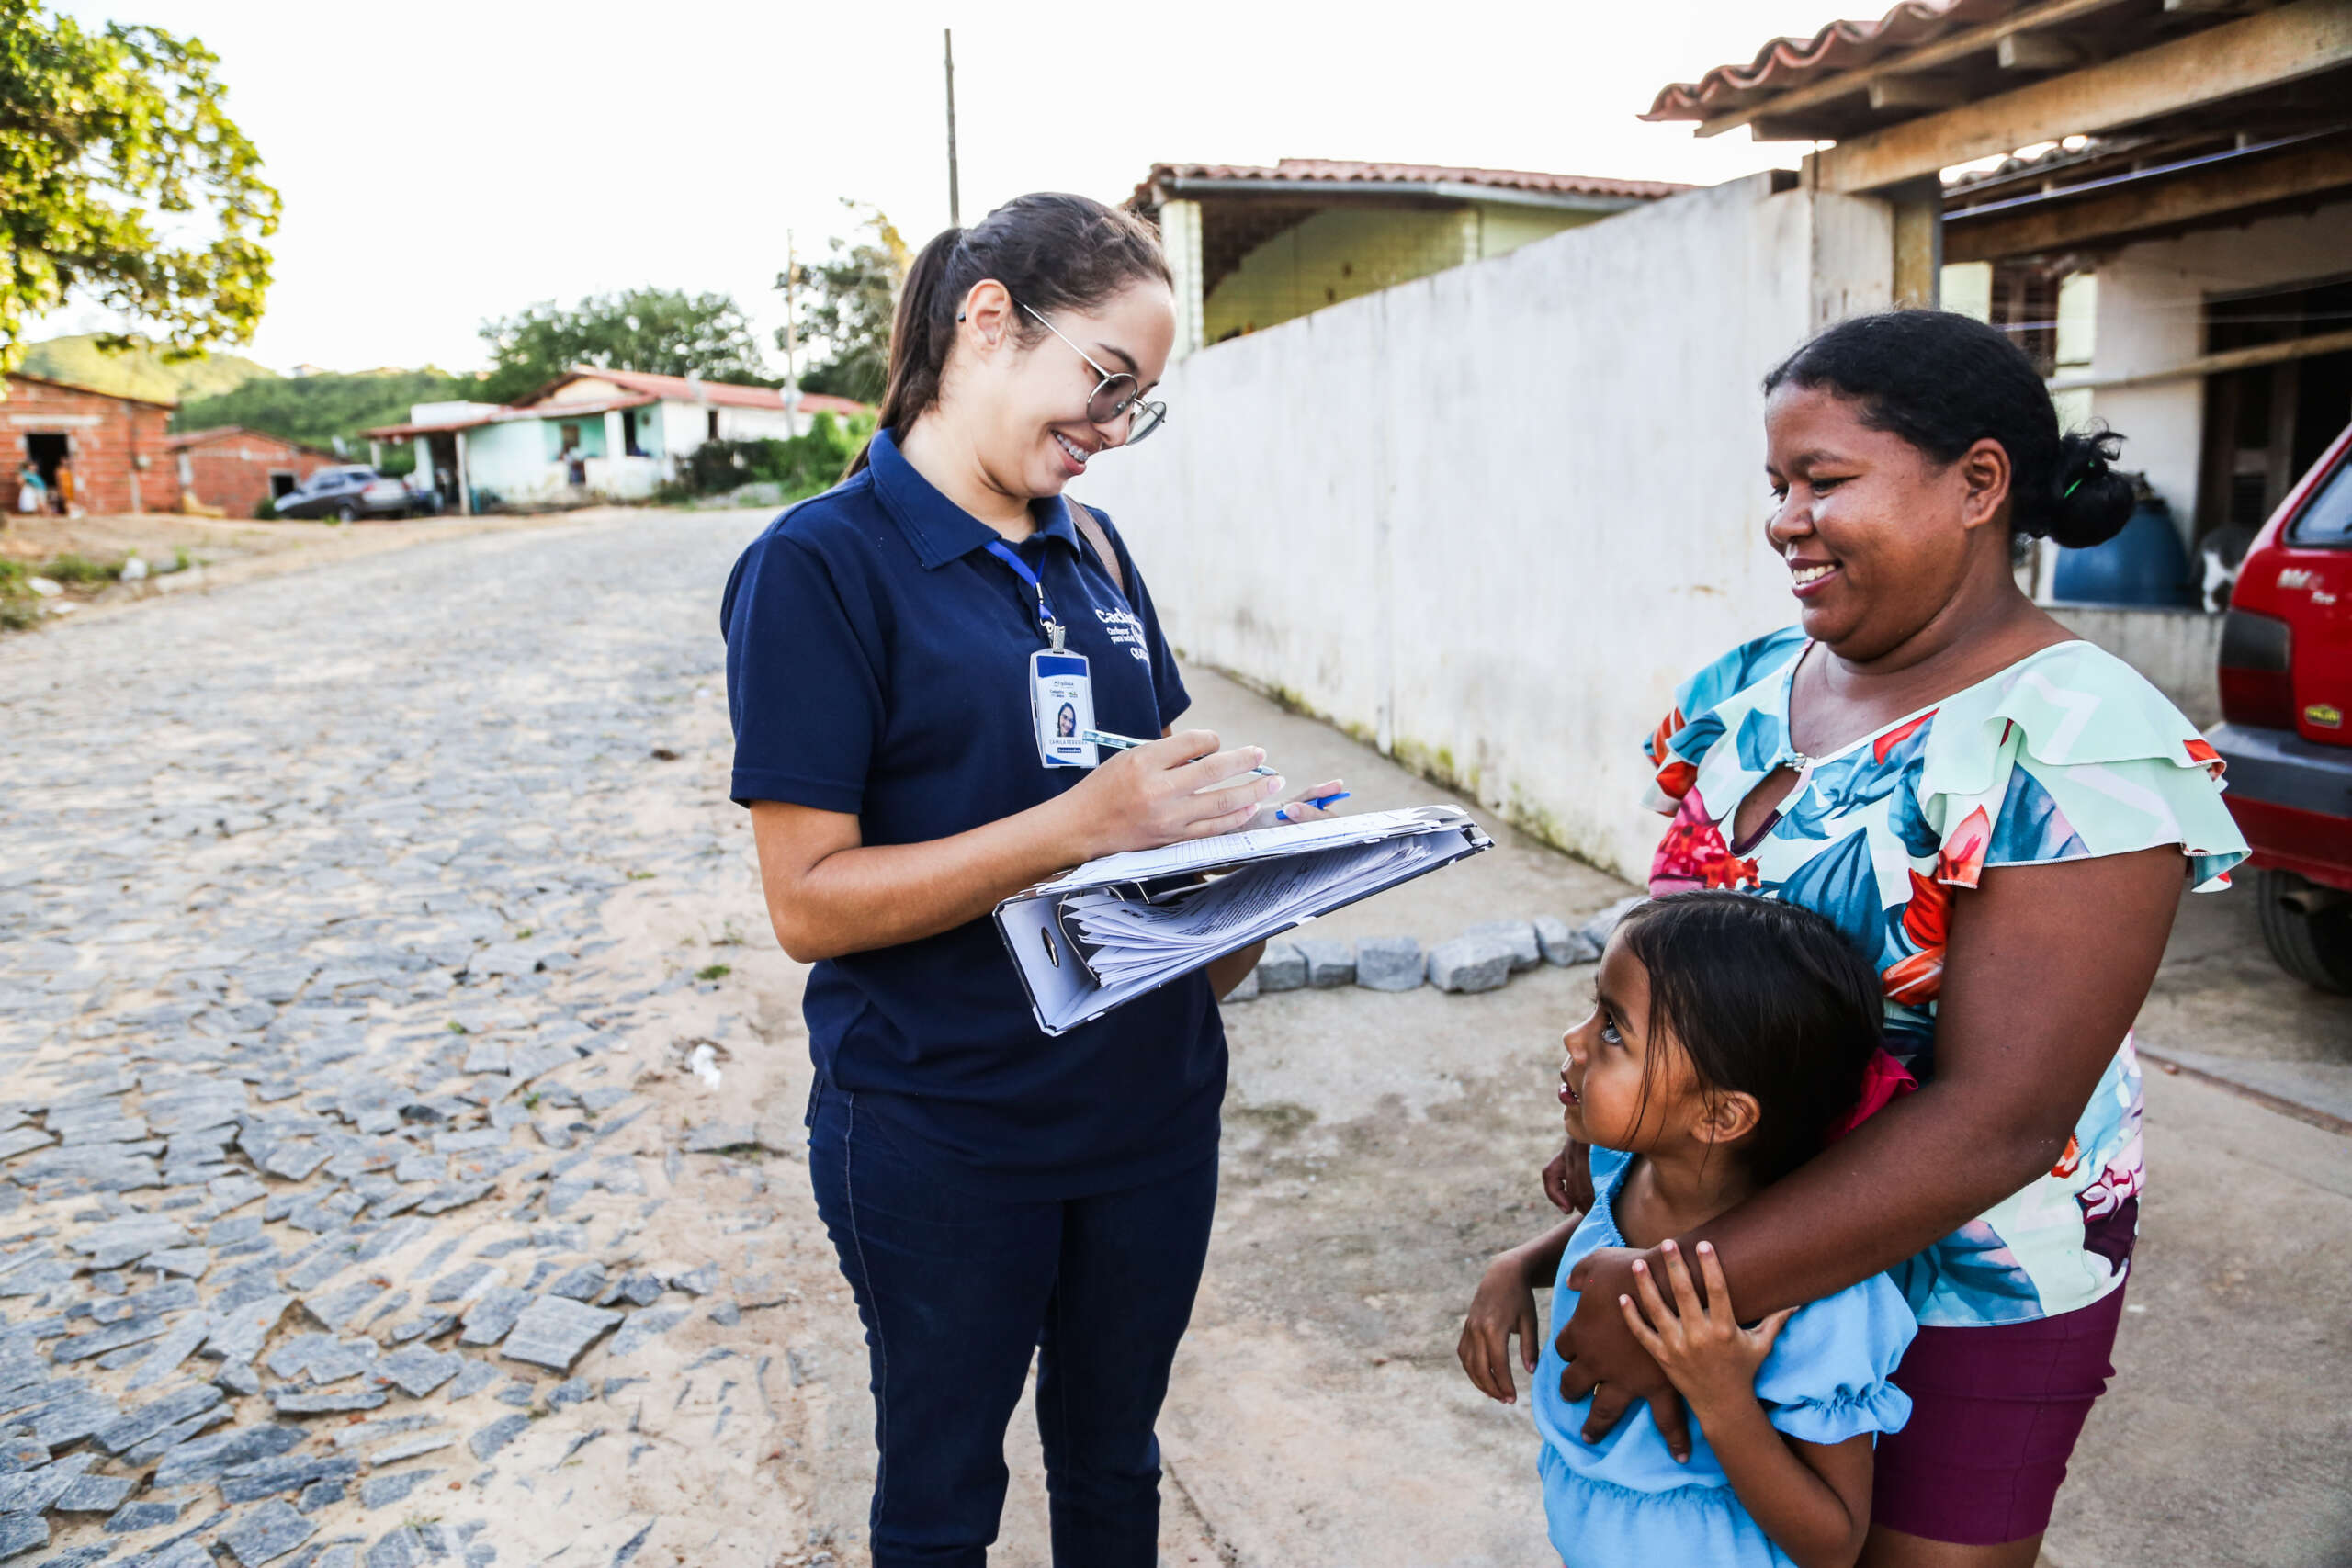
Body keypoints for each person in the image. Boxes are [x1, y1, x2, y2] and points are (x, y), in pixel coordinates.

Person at [1541, 310, 2249, 1567]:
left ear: (1979, 483)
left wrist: (1668, 1286)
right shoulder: (1749, 686)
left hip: (1968, 1279)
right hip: (1730, 1252)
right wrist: (1610, 1158)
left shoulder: (2074, 733)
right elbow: (1684, 964)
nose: (1784, 521)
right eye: (1777, 486)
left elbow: (2003, 1117)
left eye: (1824, 482)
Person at [721, 192, 1342, 1568]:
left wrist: (1255, 873)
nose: (1112, 429)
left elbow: (1154, 823)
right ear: (988, 322)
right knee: (942, 1489)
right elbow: (807, 900)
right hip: (945, 1131)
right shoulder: (822, 566)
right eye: (1103, 382)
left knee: (1116, 1461)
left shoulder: (1099, 550)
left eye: (1140, 402)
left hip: (1150, 1115)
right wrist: (1077, 825)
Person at [1461, 894, 1915, 1568]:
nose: (1575, 1039)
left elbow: (1834, 1542)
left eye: (1613, 1029)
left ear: (1720, 1116)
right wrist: (1519, 1265)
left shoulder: (1816, 1299)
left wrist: (1720, 1395)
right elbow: (1605, 1237)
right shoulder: (1635, 1163)